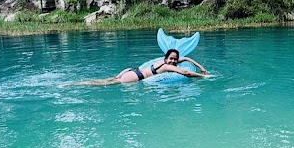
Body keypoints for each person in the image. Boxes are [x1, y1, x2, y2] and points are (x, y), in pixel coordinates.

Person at [72, 48, 209, 86]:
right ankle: (77, 84)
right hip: (135, 76)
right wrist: (203, 76)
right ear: (166, 58)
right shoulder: (168, 66)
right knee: (102, 84)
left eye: (175, 59)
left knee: (105, 80)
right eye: (171, 59)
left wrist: (200, 67)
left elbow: (186, 58)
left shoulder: (163, 63)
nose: (173, 61)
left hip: (131, 70)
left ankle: (76, 83)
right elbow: (185, 72)